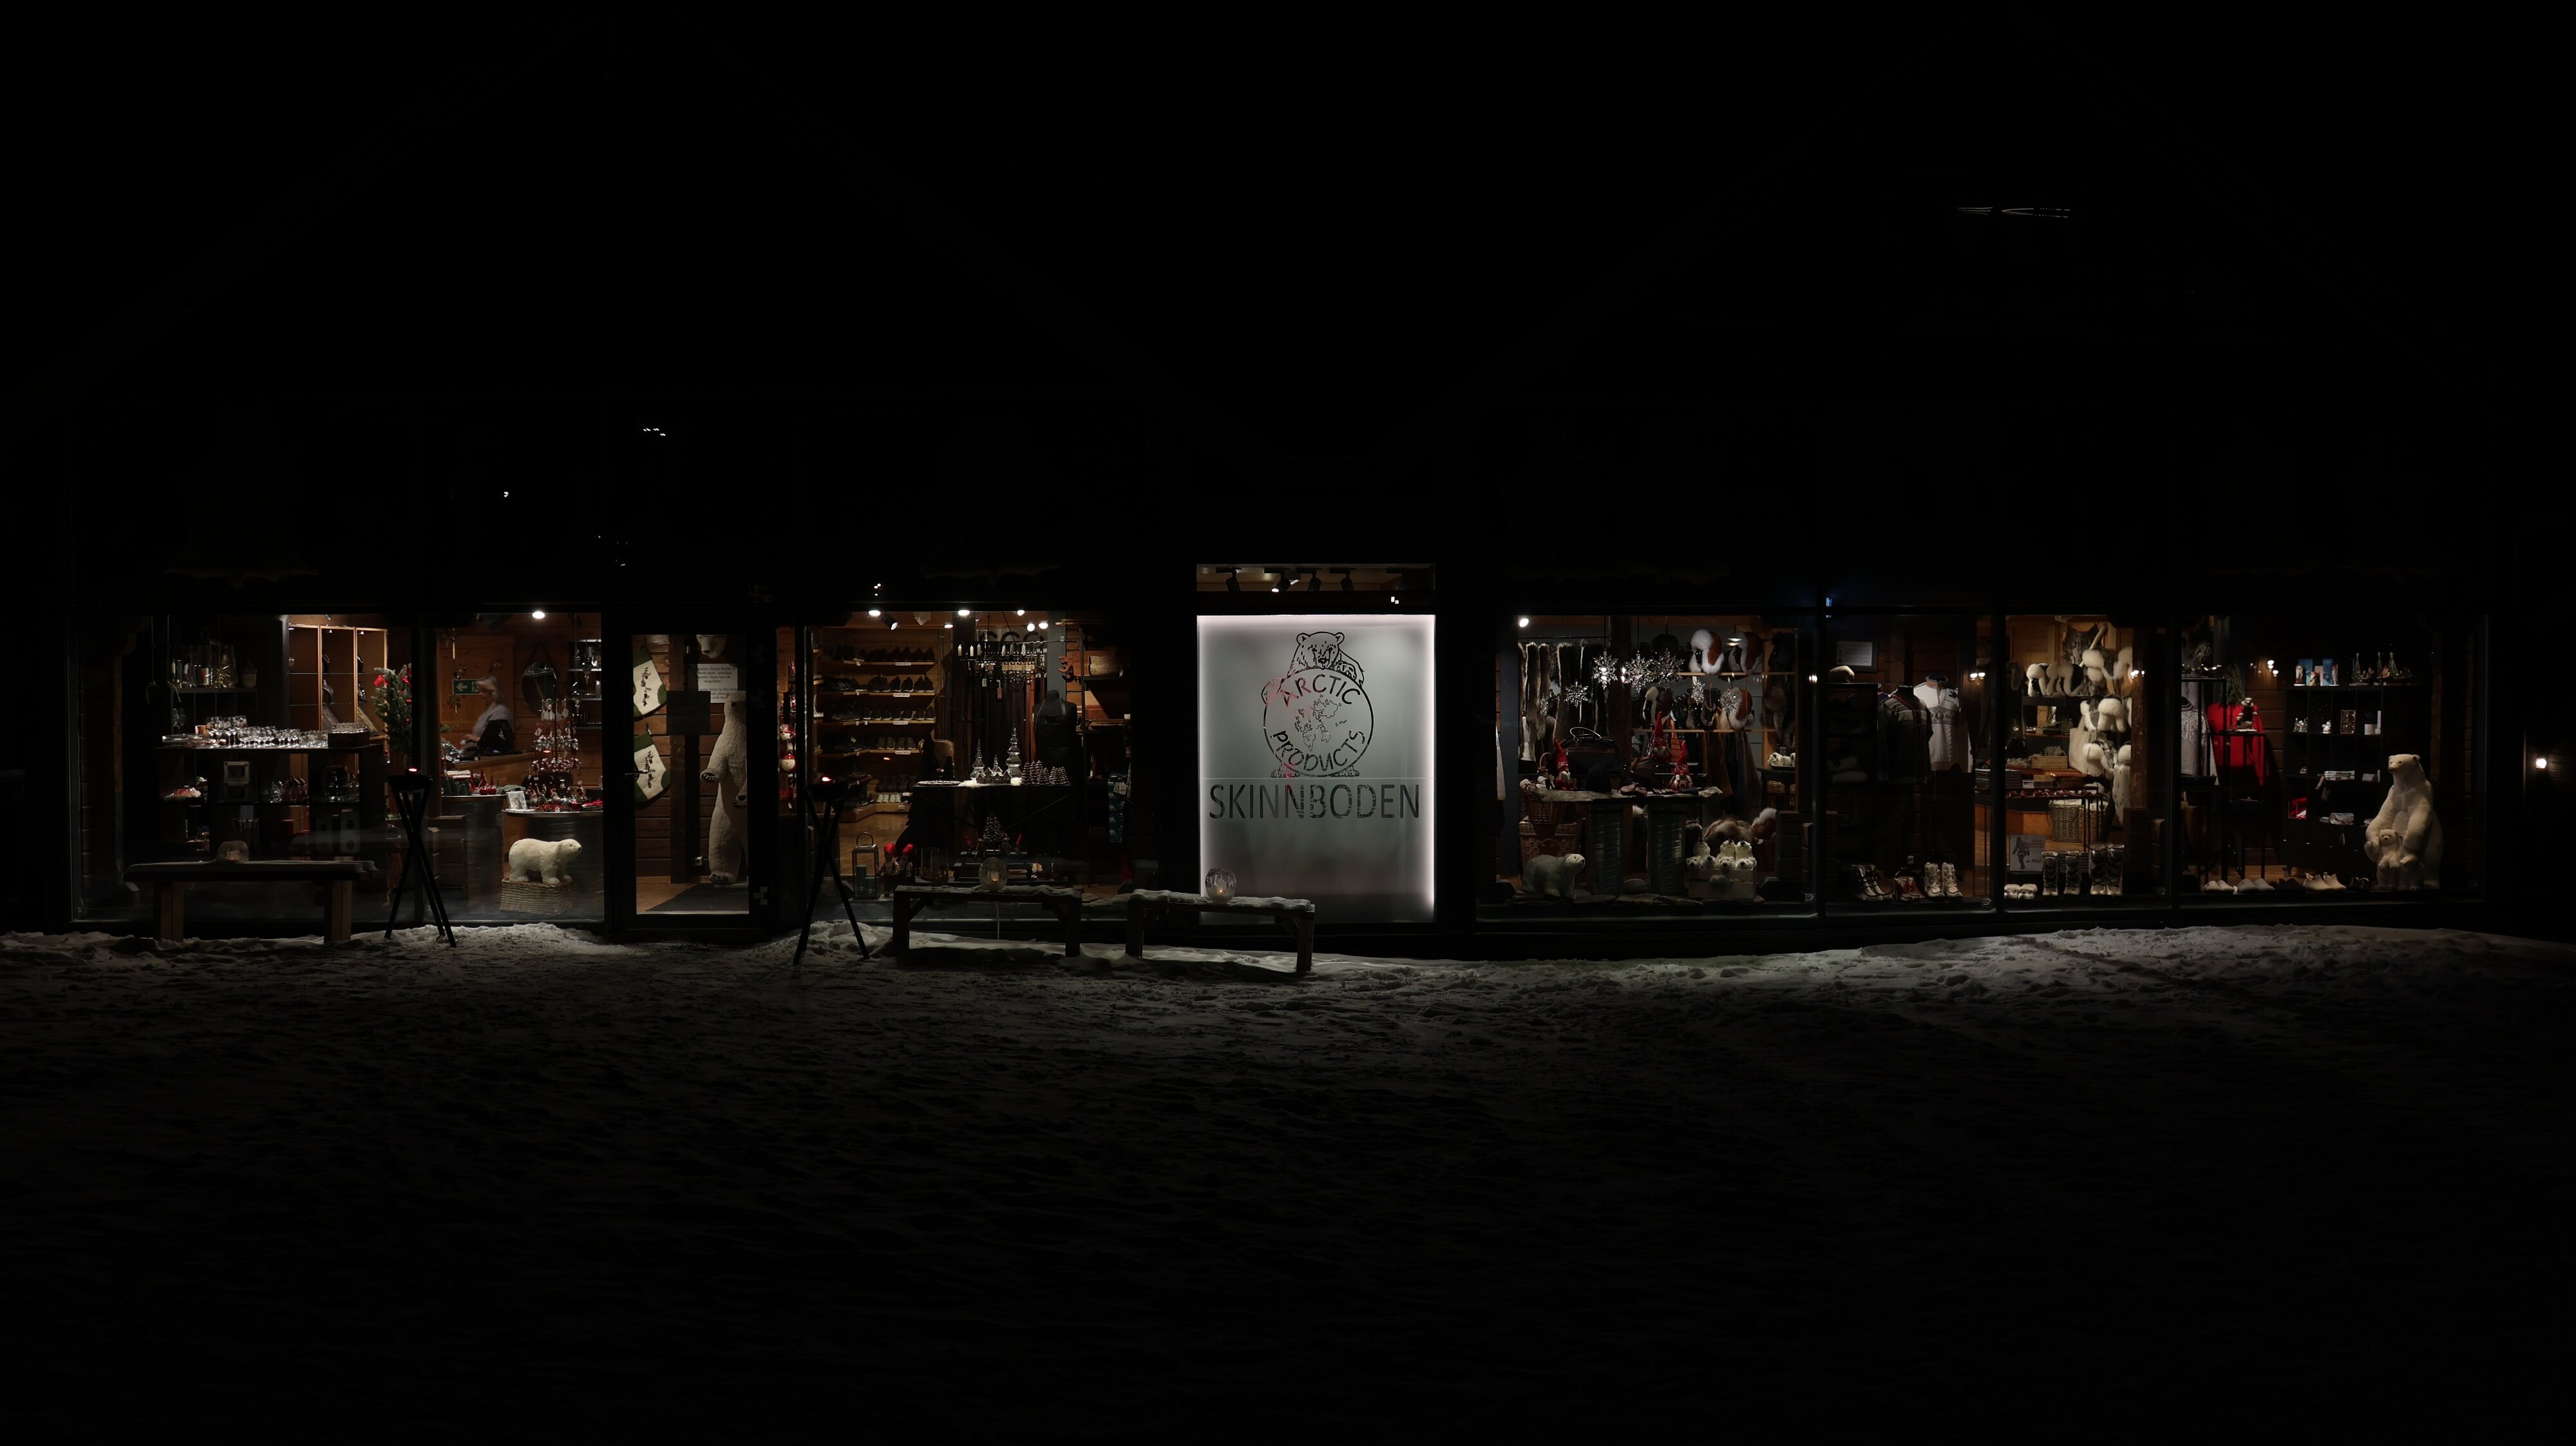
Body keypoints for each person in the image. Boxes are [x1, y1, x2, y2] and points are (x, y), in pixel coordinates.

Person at [464, 676, 516, 756]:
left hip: (493, 757)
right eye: (480, 691)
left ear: (494, 692)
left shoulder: (500, 711)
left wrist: (477, 739)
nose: (480, 694)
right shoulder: (489, 710)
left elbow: (502, 739)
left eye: (484, 691)